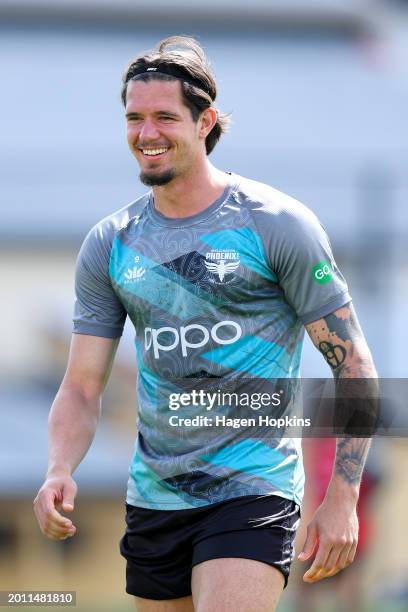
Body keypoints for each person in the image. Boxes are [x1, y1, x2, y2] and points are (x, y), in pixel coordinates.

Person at [33, 36, 377, 612]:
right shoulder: (111, 244)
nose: (147, 134)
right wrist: (58, 468)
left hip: (253, 485)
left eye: (165, 117)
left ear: (205, 121)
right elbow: (81, 385)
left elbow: (355, 364)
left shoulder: (277, 225)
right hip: (156, 496)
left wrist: (344, 495)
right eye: (135, 118)